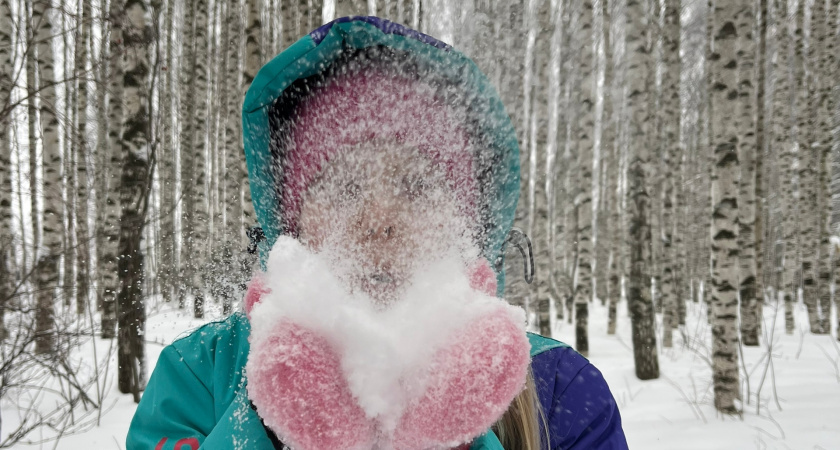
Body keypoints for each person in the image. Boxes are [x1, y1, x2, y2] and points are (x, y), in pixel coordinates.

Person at [126, 17, 628, 450]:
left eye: (416, 185)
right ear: (293, 223)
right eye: (343, 189)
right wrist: (273, 425)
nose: (379, 221)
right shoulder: (199, 374)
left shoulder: (560, 387)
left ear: (467, 222)